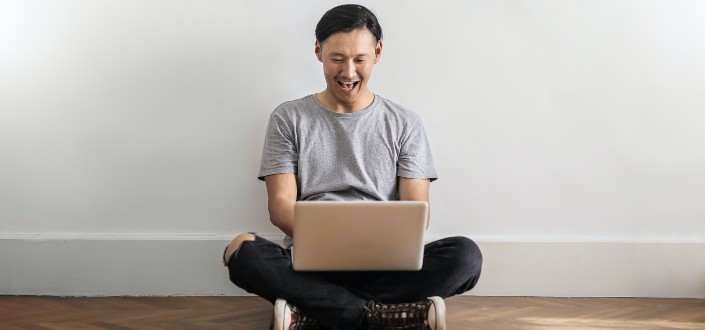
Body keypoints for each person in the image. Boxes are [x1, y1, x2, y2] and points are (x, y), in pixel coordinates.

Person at [223, 4, 482, 329]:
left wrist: (371, 241)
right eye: (337, 59)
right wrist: (334, 238)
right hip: (312, 260)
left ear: (377, 53)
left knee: (466, 256)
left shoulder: (405, 124)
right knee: (242, 250)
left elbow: (418, 210)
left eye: (359, 59)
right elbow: (280, 208)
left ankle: (312, 309)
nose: (348, 72)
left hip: (387, 263)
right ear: (318, 51)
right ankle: (383, 315)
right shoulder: (288, 119)